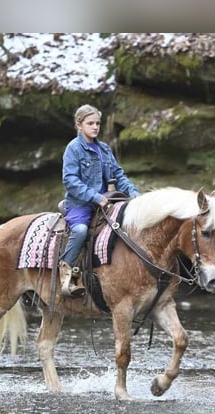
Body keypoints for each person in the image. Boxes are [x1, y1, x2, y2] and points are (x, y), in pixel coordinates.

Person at [59, 104, 141, 297]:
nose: (95, 127)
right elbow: (69, 180)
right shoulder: (73, 148)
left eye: (97, 123)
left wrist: (135, 195)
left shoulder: (104, 149)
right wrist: (95, 197)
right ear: (79, 125)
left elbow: (119, 175)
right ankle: (66, 273)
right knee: (80, 231)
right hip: (80, 204)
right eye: (90, 123)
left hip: (105, 204)